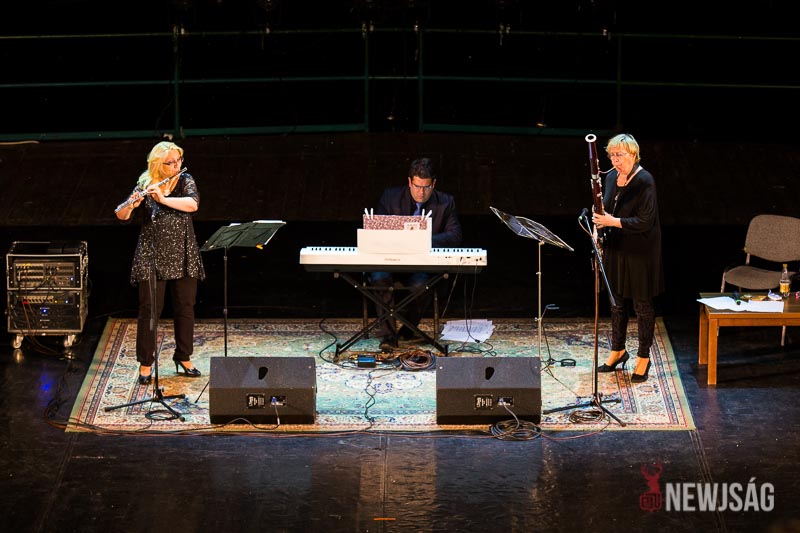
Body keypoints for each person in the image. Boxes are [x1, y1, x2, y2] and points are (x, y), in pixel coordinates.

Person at [115, 141, 205, 384]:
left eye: (178, 161)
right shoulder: (146, 183)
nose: (176, 166)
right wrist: (133, 204)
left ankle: (183, 357)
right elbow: (121, 215)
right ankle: (146, 363)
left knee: (185, 307)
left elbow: (192, 204)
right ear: (157, 164)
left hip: (183, 252)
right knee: (150, 310)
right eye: (170, 163)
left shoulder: (185, 180)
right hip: (152, 254)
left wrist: (163, 198)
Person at [591, 133, 664, 383]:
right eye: (611, 155)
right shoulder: (611, 176)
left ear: (633, 154)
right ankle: (618, 350)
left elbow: (645, 221)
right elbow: (606, 208)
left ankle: (643, 357)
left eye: (619, 155)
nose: (614, 160)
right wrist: (599, 223)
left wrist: (611, 221)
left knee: (642, 306)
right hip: (617, 247)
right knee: (617, 302)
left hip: (641, 250)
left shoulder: (645, 180)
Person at [371, 158, 462, 348]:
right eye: (417, 186)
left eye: (426, 187)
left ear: (433, 184)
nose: (421, 192)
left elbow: (455, 235)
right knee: (379, 278)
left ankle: (408, 330)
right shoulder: (390, 197)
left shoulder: (446, 202)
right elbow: (375, 231)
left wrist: (422, 239)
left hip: (421, 264)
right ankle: (388, 337)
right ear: (409, 182)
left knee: (422, 286)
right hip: (390, 260)